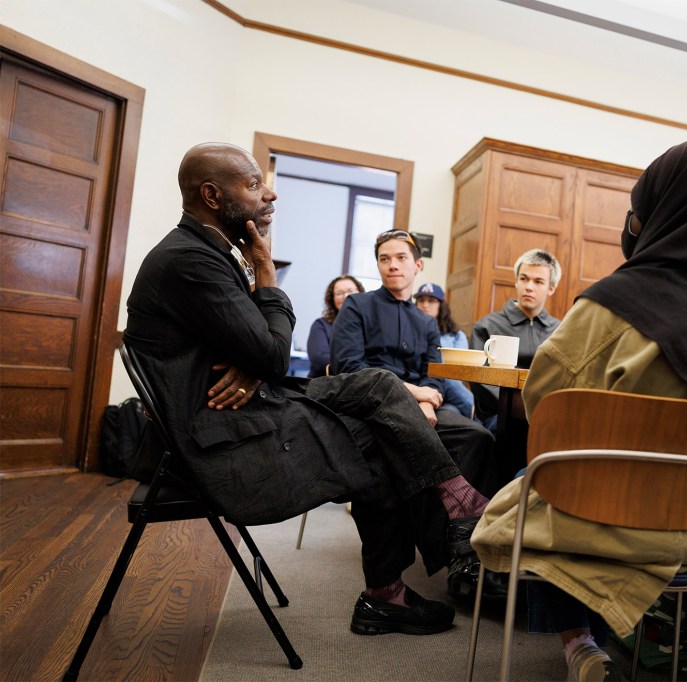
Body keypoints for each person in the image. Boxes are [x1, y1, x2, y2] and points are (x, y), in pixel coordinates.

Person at [124, 142, 492, 638]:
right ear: (212, 195)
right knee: (382, 436)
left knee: (382, 388)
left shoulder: (204, 254)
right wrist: (266, 274)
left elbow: (263, 349)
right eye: (254, 185)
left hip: (249, 404)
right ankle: (397, 584)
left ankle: (453, 512)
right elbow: (275, 353)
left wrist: (257, 360)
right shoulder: (191, 261)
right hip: (222, 438)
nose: (269, 194)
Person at [471, 140, 687, 682]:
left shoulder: (611, 306)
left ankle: (579, 642)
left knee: (537, 477)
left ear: (657, 213)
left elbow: (546, 408)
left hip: (603, 516)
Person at [329, 230, 498, 599]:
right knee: (396, 453)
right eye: (384, 259)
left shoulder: (425, 322)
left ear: (417, 265)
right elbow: (349, 367)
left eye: (400, 258)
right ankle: (446, 549)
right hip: (369, 406)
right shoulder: (357, 306)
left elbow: (431, 372)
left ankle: (464, 546)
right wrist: (415, 395)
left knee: (478, 437)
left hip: (418, 407)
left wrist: (424, 402)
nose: (392, 265)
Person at [470, 249, 561, 431]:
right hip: (498, 415)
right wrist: (523, 408)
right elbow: (480, 379)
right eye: (524, 279)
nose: (529, 286)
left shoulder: (560, 331)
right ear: (516, 281)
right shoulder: (487, 326)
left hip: (546, 414)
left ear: (551, 288)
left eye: (538, 281)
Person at [413, 282, 475, 419]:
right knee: (437, 371)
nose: (425, 305)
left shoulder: (457, 335)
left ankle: (474, 411)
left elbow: (459, 371)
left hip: (450, 391)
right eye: (421, 300)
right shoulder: (410, 331)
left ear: (441, 305)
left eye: (431, 301)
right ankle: (475, 410)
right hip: (421, 387)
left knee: (442, 372)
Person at [307, 274, 364, 378]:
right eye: (339, 293)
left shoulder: (369, 325)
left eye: (351, 291)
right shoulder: (321, 325)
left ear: (360, 293)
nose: (346, 296)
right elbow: (319, 359)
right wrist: (353, 365)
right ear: (332, 299)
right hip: (325, 385)